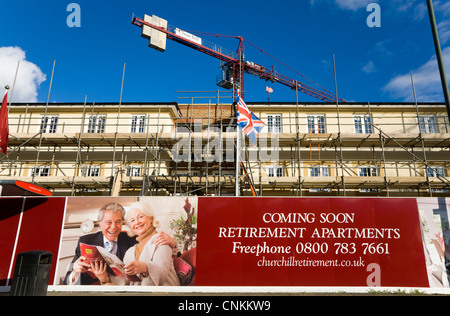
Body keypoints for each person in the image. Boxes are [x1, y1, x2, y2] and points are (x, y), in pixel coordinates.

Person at [64, 202, 137, 285]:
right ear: (100, 224)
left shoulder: (132, 240)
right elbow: (67, 281)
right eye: (108, 222)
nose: (113, 227)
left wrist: (155, 237)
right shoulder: (86, 241)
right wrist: (74, 272)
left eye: (118, 222)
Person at [112, 201, 180, 286]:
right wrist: (104, 278)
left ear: (151, 218)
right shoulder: (130, 251)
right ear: (130, 226)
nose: (137, 222)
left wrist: (145, 267)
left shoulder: (161, 239)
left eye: (140, 217)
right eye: (132, 220)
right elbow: (126, 282)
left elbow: (162, 276)